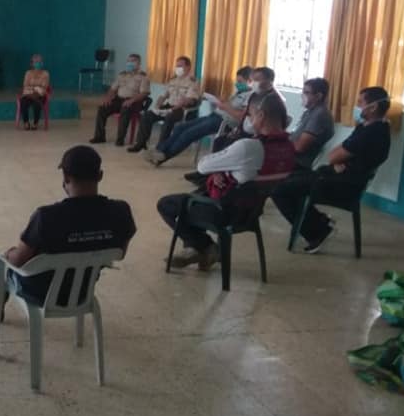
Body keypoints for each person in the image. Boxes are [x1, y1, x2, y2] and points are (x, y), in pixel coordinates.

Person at [0, 146, 136, 321]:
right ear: (100, 175)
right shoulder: (121, 212)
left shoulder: (46, 217)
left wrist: (8, 254)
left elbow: (18, 261)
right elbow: (120, 253)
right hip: (82, 292)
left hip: (38, 293)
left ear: (66, 178)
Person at [157, 95, 296, 271]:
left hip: (224, 212)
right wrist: (222, 170)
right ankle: (196, 250)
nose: (248, 119)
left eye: (250, 114)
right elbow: (248, 172)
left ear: (260, 115)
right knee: (197, 193)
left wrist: (220, 167)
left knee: (168, 204)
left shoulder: (249, 146)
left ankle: (206, 247)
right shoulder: (288, 148)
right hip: (251, 212)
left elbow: (202, 166)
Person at [271, 86, 391, 254]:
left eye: (360, 103)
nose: (357, 107)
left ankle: (317, 232)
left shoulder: (372, 133)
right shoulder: (369, 127)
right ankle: (320, 223)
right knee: (289, 178)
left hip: (344, 184)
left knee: (279, 190)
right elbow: (337, 155)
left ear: (373, 107)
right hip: (336, 175)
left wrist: (339, 160)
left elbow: (334, 156)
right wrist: (339, 160)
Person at [145, 66, 253, 166]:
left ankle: (162, 157)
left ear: (249, 81)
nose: (237, 84)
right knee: (180, 127)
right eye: (237, 81)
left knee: (188, 133)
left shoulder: (251, 96)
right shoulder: (239, 92)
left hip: (225, 122)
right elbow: (231, 105)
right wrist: (221, 101)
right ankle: (159, 151)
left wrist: (225, 107)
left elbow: (241, 117)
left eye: (240, 82)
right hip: (215, 116)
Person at [127, 56, 200, 153]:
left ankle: (161, 147)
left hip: (180, 109)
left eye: (180, 66)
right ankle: (140, 144)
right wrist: (157, 106)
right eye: (177, 66)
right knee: (147, 115)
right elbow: (163, 96)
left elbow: (189, 100)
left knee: (169, 118)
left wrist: (173, 109)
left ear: (188, 67)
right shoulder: (173, 80)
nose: (177, 68)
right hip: (168, 106)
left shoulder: (193, 82)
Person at [90, 53, 151, 145]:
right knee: (102, 109)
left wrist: (131, 100)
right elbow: (112, 89)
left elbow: (144, 93)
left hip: (134, 102)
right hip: (119, 100)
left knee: (125, 109)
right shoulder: (122, 75)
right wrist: (108, 97)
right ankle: (99, 137)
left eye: (133, 61)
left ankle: (120, 139)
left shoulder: (143, 77)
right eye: (128, 61)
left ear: (139, 64)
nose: (130, 63)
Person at [288, 77, 335, 172]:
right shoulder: (310, 112)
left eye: (306, 92)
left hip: (298, 164)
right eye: (303, 92)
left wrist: (281, 145)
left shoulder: (319, 115)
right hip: (291, 157)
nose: (302, 95)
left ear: (318, 96)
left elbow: (300, 147)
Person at [19, 53, 50, 130]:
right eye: (35, 62)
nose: (38, 64)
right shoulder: (28, 73)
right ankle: (26, 123)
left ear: (42, 63)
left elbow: (44, 86)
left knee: (37, 104)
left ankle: (35, 123)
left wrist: (34, 89)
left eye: (39, 62)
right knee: (23, 102)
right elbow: (25, 85)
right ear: (32, 64)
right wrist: (35, 89)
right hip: (29, 94)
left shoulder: (45, 74)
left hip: (40, 95)